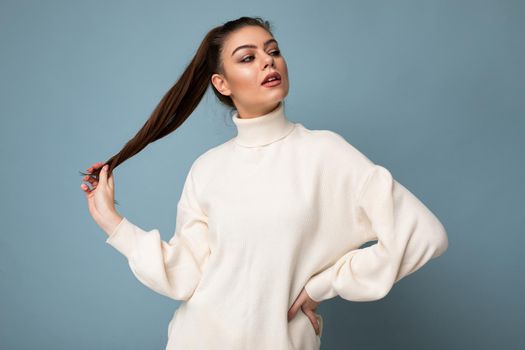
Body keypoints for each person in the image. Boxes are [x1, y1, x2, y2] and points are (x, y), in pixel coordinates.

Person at [80, 16, 449, 350]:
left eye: (273, 51)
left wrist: (324, 284)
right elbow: (185, 276)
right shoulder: (207, 168)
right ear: (221, 84)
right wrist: (113, 223)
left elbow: (423, 235)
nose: (268, 61)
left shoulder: (326, 153)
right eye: (248, 57)